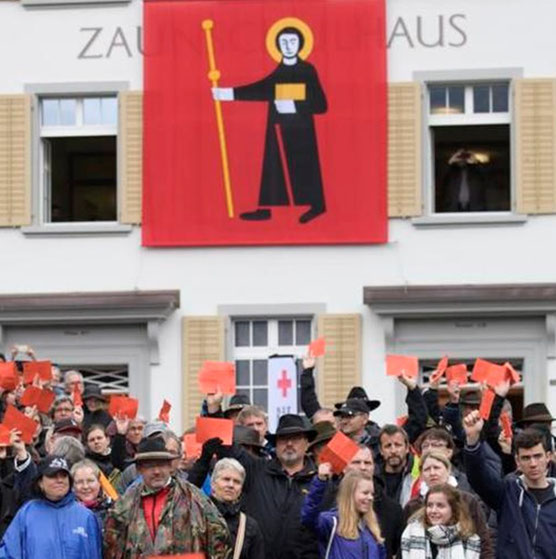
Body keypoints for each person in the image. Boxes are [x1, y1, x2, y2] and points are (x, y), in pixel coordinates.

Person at [213, 20, 327, 224]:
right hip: (277, 128)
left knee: (305, 166)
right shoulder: (279, 71)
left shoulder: (307, 70)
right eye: (283, 42)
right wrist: (227, 93)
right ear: (277, 45)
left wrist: (294, 106)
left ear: (300, 44)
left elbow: (320, 104)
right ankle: (266, 208)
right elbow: (261, 89)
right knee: (273, 167)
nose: (288, 45)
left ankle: (316, 206)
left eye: (292, 41)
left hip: (301, 131)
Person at [104, 437, 230, 558]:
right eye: (150, 466)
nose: (157, 471)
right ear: (139, 469)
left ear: (170, 466)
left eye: (161, 464)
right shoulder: (125, 504)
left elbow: (219, 538)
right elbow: (111, 546)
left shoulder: (194, 498)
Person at [463, 410, 556, 559]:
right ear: (517, 461)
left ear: (548, 457)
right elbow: (478, 477)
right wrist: (473, 438)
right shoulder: (508, 492)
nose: (533, 463)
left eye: (537, 456)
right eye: (526, 458)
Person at [0, 455, 102, 559]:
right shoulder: (26, 514)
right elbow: (8, 553)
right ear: (40, 483)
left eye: (63, 475)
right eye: (53, 475)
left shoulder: (86, 516)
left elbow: (95, 554)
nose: (59, 480)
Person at [403, 452, 493, 559]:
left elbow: (483, 541)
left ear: (448, 471)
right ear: (421, 475)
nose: (432, 473)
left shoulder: (467, 501)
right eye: (427, 469)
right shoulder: (413, 506)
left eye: (436, 468)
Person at [302, 468, 386, 559]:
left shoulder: (372, 530)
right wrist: (320, 481)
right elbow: (308, 517)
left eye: (372, 494)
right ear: (349, 494)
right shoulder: (332, 522)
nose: (370, 498)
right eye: (365, 493)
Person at [401, 483, 481, 559]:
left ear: (453, 509)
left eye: (440, 506)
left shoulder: (470, 541)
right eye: (430, 505)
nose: (433, 511)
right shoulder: (410, 534)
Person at [210, 458, 265, 559]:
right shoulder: (197, 516)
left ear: (240, 489)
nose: (231, 485)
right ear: (213, 484)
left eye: (237, 482)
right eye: (226, 479)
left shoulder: (250, 526)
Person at [375, 425, 418, 507]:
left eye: (398, 445)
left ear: (407, 448)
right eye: (388, 446)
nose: (393, 451)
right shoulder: (373, 478)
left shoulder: (417, 474)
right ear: (381, 450)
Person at [71, 459, 113, 526]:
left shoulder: (112, 510)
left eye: (90, 481)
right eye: (79, 482)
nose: (85, 486)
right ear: (73, 485)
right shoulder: (66, 512)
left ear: (99, 483)